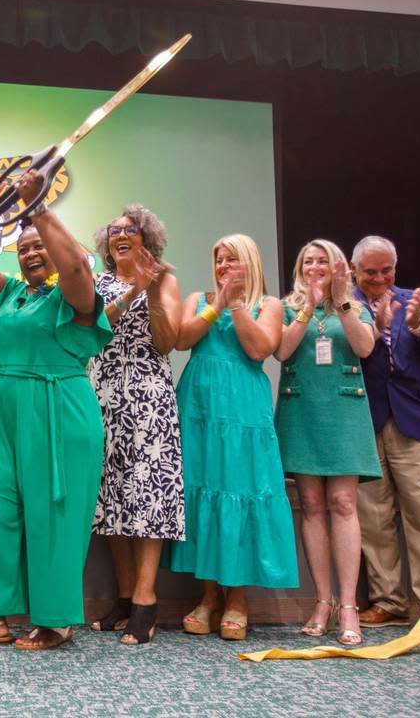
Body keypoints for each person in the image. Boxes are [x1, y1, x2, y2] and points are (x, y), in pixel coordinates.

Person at [0, 170, 111, 651]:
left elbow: (76, 265)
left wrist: (36, 208)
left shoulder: (73, 297)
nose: (32, 252)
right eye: (23, 247)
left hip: (60, 415)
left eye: (39, 245)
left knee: (53, 515)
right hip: (8, 418)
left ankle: (55, 621)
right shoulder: (11, 295)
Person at [162, 233, 299, 641]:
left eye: (231, 260)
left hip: (243, 411)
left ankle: (237, 598)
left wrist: (237, 304)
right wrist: (218, 302)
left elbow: (260, 349)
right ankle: (207, 597)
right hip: (199, 408)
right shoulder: (198, 299)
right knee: (202, 489)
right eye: (218, 259)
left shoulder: (270, 305)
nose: (223, 266)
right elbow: (182, 339)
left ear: (250, 263)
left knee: (239, 489)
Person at [348, 236, 420, 642]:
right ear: (354, 270)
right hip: (362, 420)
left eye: (386, 270)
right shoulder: (343, 304)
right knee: (373, 518)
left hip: (416, 416)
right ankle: (388, 602)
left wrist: (419, 325)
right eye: (370, 272)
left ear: (395, 267)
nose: (379, 278)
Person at [274, 238, 380, 646]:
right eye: (308, 261)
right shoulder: (286, 306)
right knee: (313, 505)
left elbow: (365, 347)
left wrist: (340, 299)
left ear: (339, 267)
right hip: (301, 410)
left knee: (344, 503)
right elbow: (282, 350)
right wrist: (308, 304)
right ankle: (323, 601)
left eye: (324, 261)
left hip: (343, 410)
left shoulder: (354, 305)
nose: (315, 266)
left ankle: (349, 606)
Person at [87, 204, 183, 646]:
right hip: (102, 393)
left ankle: (146, 600)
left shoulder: (166, 279)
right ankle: (124, 597)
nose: (120, 235)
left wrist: (152, 290)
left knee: (146, 496)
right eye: (114, 230)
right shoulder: (95, 282)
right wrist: (130, 292)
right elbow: (93, 330)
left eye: (130, 229)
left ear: (146, 238)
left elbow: (168, 342)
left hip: (148, 396)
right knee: (110, 498)